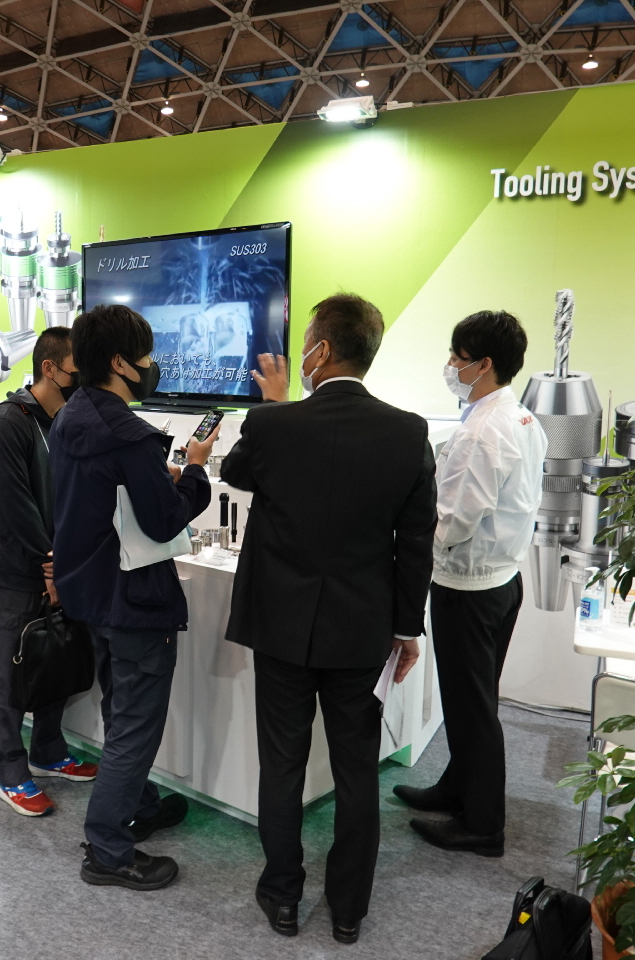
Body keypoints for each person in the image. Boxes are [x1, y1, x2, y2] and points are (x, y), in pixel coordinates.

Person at [221, 293, 437, 944]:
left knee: (282, 765)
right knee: (356, 771)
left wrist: (272, 405)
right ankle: (348, 910)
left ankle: (283, 897)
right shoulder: (408, 432)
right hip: (362, 631)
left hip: (280, 627)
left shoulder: (274, 425)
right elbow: (416, 542)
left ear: (320, 350)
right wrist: (407, 629)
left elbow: (235, 471)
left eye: (306, 343)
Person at [51, 303, 215, 891]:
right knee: (134, 725)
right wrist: (195, 470)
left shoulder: (71, 417)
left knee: (120, 708)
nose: (152, 365)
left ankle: (137, 804)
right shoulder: (130, 436)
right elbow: (165, 519)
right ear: (121, 362)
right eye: (146, 356)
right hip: (134, 598)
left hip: (90, 592)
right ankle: (108, 849)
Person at [393, 310, 546, 857]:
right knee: (471, 699)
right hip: (502, 580)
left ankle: (483, 826)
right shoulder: (520, 418)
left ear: (484, 364)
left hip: (470, 587)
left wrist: (407, 549)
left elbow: (454, 520)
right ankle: (456, 789)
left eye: (457, 357)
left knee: (472, 708)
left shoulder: (483, 431)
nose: (450, 366)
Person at [0, 327, 97, 817]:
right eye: (76, 370)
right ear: (49, 368)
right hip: (20, 573)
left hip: (65, 567)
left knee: (56, 663)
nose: (82, 380)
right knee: (11, 674)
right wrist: (49, 564)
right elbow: (15, 506)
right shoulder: (8, 424)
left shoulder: (65, 421)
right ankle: (9, 772)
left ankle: (48, 751)